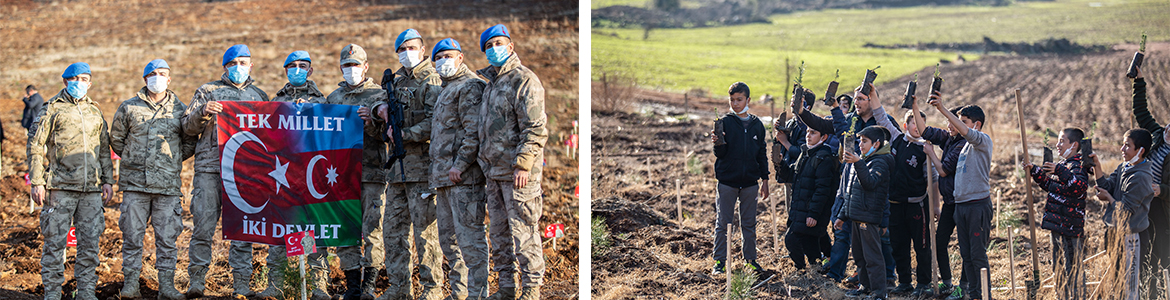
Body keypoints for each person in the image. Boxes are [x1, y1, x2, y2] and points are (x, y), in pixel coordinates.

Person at [181, 44, 270, 298]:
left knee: (243, 230)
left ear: (251, 65)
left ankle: (241, 283)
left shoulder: (259, 96)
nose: (238, 67)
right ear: (225, 67)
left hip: (245, 173)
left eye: (243, 63)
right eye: (233, 63)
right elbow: (187, 126)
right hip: (209, 169)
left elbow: (272, 134)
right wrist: (203, 111)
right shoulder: (208, 91)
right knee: (203, 227)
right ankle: (197, 281)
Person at [307, 44, 389, 300]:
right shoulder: (334, 99)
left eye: (355, 65)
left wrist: (372, 120)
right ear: (341, 68)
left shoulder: (381, 95)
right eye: (346, 66)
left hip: (372, 173)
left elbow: (387, 134)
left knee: (373, 229)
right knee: (345, 230)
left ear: (366, 67)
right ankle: (353, 286)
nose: (351, 70)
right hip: (340, 177)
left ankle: (369, 286)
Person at [474, 24, 549, 300]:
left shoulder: (524, 80)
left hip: (518, 175)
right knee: (500, 234)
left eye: (499, 43)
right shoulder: (491, 85)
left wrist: (523, 164)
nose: (494, 49)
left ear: (510, 46)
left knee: (524, 232)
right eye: (489, 46)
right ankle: (506, 287)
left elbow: (535, 127)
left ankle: (531, 290)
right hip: (494, 174)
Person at [28, 62, 114, 300]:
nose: (80, 83)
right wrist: (37, 181)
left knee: (89, 245)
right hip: (60, 188)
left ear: (90, 82)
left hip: (91, 190)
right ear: (65, 81)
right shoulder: (51, 109)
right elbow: (36, 146)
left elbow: (104, 149)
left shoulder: (95, 112)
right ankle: (53, 294)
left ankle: (86, 292)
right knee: (55, 244)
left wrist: (107, 180)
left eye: (84, 79)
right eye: (75, 78)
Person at [110, 59, 194, 300]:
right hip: (135, 186)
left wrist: (172, 160)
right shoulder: (128, 108)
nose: (158, 77)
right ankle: (131, 286)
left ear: (169, 79)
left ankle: (166, 287)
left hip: (167, 187)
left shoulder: (181, 110)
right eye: (153, 73)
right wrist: (133, 158)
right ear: (145, 78)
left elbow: (189, 142)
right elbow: (117, 139)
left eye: (163, 74)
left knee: (167, 239)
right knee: (132, 236)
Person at [373, 29, 443, 300]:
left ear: (423, 50)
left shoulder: (433, 79)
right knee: (393, 231)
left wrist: (406, 134)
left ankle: (432, 288)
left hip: (423, 169)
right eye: (401, 49)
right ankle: (400, 287)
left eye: (412, 47)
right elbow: (381, 101)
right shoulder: (395, 80)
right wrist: (380, 109)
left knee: (425, 234)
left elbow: (436, 121)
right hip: (397, 172)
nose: (406, 53)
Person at [263, 50, 331, 300]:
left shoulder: (323, 101)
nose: (297, 70)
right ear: (285, 71)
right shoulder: (274, 100)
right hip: (283, 175)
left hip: (312, 177)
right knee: (280, 228)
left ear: (310, 70)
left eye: (303, 66)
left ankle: (319, 285)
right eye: (292, 66)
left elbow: (331, 134)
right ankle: (276, 285)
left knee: (315, 230)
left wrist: (313, 111)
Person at [428, 38, 490, 300]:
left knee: (470, 241)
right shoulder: (446, 89)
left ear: (461, 57)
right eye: (439, 58)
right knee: (449, 243)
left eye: (448, 56)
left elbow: (473, 131)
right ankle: (459, 294)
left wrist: (461, 164)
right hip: (443, 179)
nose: (443, 61)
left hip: (463, 179)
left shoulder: (470, 87)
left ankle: (478, 295)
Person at [926, 93, 993, 300]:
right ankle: (971, 294)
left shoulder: (981, 141)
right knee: (966, 255)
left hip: (977, 205)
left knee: (977, 255)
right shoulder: (962, 147)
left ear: (977, 125)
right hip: (961, 206)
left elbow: (966, 133)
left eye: (963, 122)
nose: (957, 125)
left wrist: (943, 110)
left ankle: (982, 296)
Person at [871, 92, 935, 296]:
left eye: (921, 123)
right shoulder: (897, 139)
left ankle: (924, 283)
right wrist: (872, 93)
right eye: (914, 123)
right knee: (899, 245)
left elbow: (933, 179)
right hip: (894, 203)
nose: (917, 127)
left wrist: (936, 206)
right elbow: (881, 117)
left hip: (917, 204)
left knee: (922, 246)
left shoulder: (925, 150)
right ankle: (905, 281)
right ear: (906, 125)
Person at [710, 81, 770, 278]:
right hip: (727, 182)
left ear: (748, 100)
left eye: (739, 99)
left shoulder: (757, 126)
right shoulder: (725, 122)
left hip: (750, 184)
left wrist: (765, 180)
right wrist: (717, 143)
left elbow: (761, 153)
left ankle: (751, 260)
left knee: (749, 223)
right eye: (732, 100)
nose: (735, 104)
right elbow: (721, 154)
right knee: (724, 222)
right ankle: (719, 261)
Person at [1022, 128, 1089, 300]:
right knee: (1058, 268)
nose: (1057, 145)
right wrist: (1035, 172)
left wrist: (1059, 170)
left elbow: (1078, 187)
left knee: (1072, 270)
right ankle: (1061, 296)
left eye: (1061, 141)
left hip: (1069, 229)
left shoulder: (1077, 166)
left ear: (1074, 145)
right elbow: (1054, 188)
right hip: (1058, 226)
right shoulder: (1065, 166)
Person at [774, 99, 839, 272]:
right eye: (808, 132)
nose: (808, 135)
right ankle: (815, 270)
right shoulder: (805, 153)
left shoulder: (824, 158)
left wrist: (814, 214)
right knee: (810, 245)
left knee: (792, 239)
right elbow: (793, 176)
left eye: (813, 133)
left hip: (810, 212)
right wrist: (780, 165)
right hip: (800, 209)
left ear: (824, 137)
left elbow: (822, 190)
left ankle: (801, 270)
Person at [1092, 129, 1155, 300]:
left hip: (1131, 237)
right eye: (1123, 144)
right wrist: (1097, 166)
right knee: (1117, 280)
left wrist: (1109, 198)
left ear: (1140, 151)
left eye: (1127, 146)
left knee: (1130, 284)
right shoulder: (1124, 167)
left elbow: (1126, 211)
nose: (1122, 149)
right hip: (1115, 232)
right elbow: (1108, 184)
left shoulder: (1141, 177)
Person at [834, 125, 893, 300]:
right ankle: (865, 287)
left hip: (868, 218)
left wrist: (858, 163)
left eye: (864, 141)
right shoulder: (863, 161)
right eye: (860, 140)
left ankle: (879, 293)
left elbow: (870, 183)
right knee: (860, 256)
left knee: (873, 257)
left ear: (876, 143)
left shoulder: (880, 162)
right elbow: (851, 192)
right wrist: (842, 216)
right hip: (855, 217)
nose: (860, 144)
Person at [919, 103, 968, 297]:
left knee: (966, 247)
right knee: (939, 243)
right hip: (950, 202)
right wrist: (915, 106)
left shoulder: (964, 144)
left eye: (954, 122)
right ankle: (947, 283)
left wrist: (931, 153)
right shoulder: (950, 138)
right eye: (949, 121)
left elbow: (943, 170)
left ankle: (963, 287)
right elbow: (926, 132)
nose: (950, 125)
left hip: (963, 203)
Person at [1129, 65, 1170, 296]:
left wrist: (1161, 190)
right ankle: (1145, 291)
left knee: (1161, 254)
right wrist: (1140, 81)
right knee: (1144, 249)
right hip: (1143, 201)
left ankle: (1159, 292)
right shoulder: (1157, 134)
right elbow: (1141, 111)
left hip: (1162, 207)